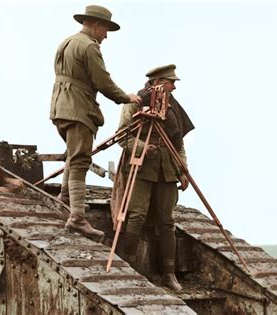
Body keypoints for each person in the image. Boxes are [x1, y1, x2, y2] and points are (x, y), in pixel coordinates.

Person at [50, 5, 141, 240]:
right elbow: (103, 81)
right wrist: (126, 97)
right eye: (106, 30)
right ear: (96, 25)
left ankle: (67, 196)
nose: (106, 36)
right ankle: (77, 219)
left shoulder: (67, 42)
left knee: (74, 153)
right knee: (81, 160)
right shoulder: (89, 46)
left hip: (61, 107)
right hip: (79, 109)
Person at [116, 64, 194, 291]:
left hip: (167, 170)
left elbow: (178, 145)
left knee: (167, 222)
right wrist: (142, 147)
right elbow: (122, 137)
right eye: (171, 83)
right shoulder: (135, 102)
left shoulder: (173, 107)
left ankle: (169, 275)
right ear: (158, 82)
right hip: (141, 169)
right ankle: (130, 267)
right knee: (137, 215)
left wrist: (183, 170)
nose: (174, 87)